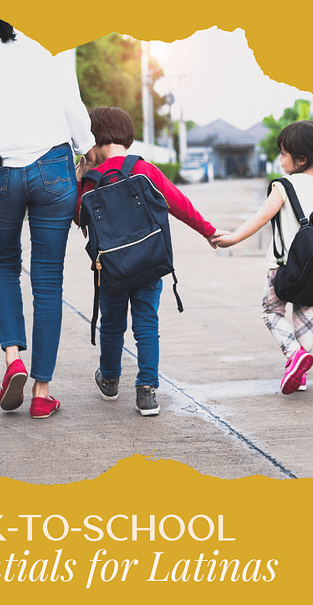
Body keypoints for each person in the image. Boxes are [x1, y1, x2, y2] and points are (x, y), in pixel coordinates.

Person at [0, 20, 97, 419]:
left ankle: (13, 360)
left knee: (3, 266)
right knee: (48, 279)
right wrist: (86, 148)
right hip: (51, 165)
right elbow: (71, 105)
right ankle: (41, 391)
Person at [76, 107, 219, 416]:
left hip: (109, 268)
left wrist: (80, 175)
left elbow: (78, 217)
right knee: (146, 323)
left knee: (112, 325)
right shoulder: (146, 170)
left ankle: (110, 380)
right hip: (149, 262)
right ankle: (147, 391)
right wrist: (208, 231)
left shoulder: (91, 178)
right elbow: (179, 204)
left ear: (95, 139)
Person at [211, 120, 313, 394]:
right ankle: (301, 374)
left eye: (283, 154)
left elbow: (261, 217)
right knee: (303, 314)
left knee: (271, 311)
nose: (280, 159)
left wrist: (233, 238)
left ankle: (294, 354)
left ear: (301, 158)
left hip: (283, 267)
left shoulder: (284, 186)